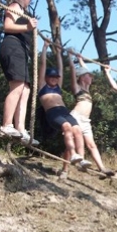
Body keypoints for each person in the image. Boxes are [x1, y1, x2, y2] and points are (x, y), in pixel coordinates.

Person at [38, 40, 92, 179]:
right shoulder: (42, 86)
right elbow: (43, 65)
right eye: (52, 77)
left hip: (64, 111)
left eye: (56, 77)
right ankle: (73, 153)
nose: (55, 79)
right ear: (46, 78)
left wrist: (63, 54)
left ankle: (81, 158)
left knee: (78, 130)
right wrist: (45, 47)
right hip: (52, 112)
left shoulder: (58, 87)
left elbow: (61, 69)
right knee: (67, 127)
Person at [0, 0, 39, 146]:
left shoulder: (23, 11)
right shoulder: (14, 6)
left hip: (21, 51)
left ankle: (20, 128)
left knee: (25, 90)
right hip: (12, 47)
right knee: (17, 87)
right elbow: (7, 26)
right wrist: (27, 26)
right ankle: (6, 125)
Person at [61, 53, 115, 177]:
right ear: (81, 77)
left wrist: (80, 59)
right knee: (71, 145)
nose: (91, 77)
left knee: (91, 144)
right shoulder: (77, 88)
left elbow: (85, 70)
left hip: (85, 120)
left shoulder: (87, 88)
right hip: (76, 117)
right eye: (88, 75)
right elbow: (73, 72)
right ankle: (64, 169)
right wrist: (70, 57)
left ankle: (102, 168)